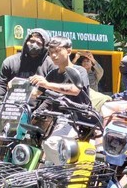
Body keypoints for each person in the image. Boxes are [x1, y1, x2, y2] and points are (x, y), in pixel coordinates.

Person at [30, 36, 91, 165]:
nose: (54, 55)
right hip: (56, 120)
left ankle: (66, 176)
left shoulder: (79, 71)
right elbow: (36, 93)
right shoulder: (52, 74)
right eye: (51, 53)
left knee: (52, 143)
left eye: (57, 51)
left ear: (69, 51)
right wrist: (17, 86)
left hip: (77, 120)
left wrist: (47, 85)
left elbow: (75, 90)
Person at [0, 28, 55, 98]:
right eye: (31, 41)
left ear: (44, 47)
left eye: (39, 43)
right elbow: (1, 85)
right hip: (12, 105)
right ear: (26, 41)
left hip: (39, 106)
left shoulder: (51, 64)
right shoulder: (10, 61)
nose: (34, 45)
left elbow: (53, 90)